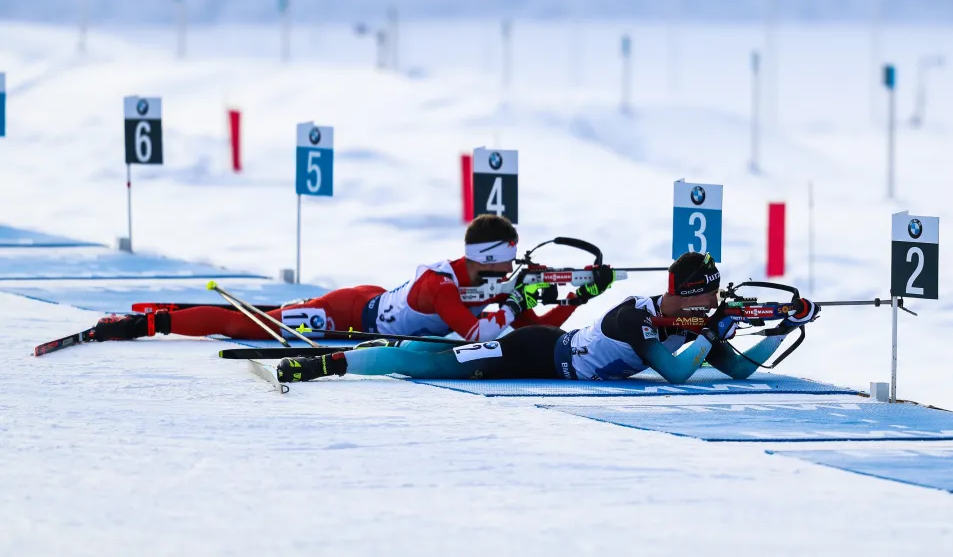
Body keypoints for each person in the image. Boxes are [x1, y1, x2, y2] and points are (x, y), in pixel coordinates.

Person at [276, 251, 820, 385]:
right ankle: (333, 363)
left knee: (429, 361)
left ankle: (347, 358)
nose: (707, 308)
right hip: (534, 351)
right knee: (427, 363)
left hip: (555, 349)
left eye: (711, 302)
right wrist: (710, 332)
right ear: (680, 295)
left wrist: (780, 328)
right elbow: (677, 373)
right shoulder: (638, 315)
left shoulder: (691, 322)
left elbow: (741, 371)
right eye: (701, 302)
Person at [90, 215, 613, 344]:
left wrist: (577, 298)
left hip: (369, 302)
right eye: (508, 260)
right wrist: (512, 305)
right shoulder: (444, 285)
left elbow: (527, 322)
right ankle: (151, 323)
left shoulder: (488, 282)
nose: (513, 269)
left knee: (256, 318)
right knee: (254, 327)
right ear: (488, 257)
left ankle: (163, 311)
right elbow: (476, 334)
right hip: (347, 312)